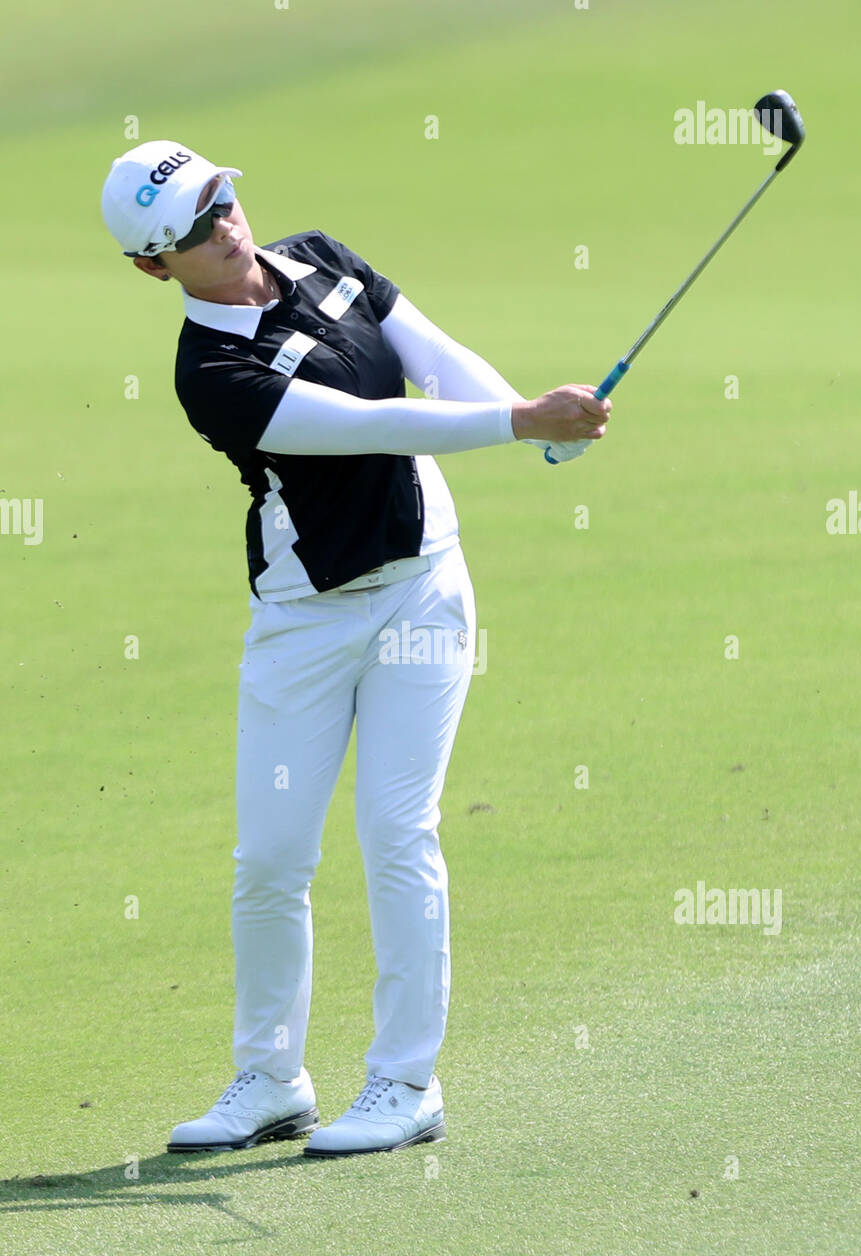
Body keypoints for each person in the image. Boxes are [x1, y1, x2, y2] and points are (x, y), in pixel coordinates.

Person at [100, 140, 612, 1158]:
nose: (223, 226)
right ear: (154, 268)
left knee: (395, 829)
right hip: (306, 616)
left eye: (222, 200)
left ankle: (402, 1083)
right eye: (194, 230)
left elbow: (429, 355)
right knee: (272, 856)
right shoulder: (212, 371)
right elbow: (374, 424)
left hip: (421, 586)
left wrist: (538, 422)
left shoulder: (325, 258)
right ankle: (269, 1078)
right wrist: (518, 421)